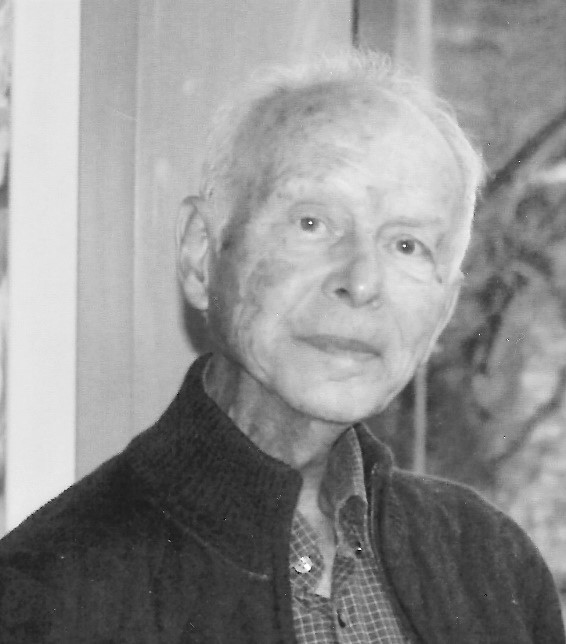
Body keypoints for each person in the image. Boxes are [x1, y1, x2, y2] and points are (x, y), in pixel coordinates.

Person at [0, 52, 564, 644]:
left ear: (444, 309)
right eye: (311, 223)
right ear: (202, 255)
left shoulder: (492, 566)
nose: (361, 282)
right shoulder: (48, 597)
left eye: (407, 245)